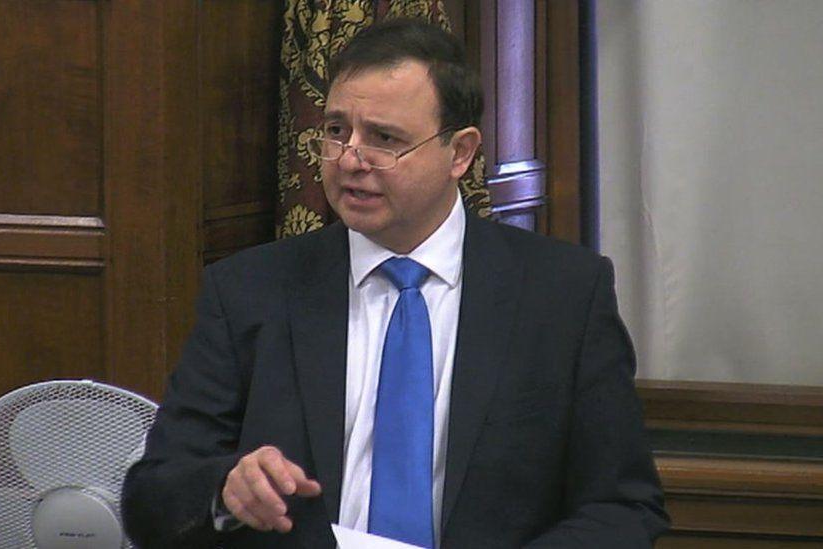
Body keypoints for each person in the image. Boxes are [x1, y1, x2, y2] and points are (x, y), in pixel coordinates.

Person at [121, 18, 669, 549]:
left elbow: (622, 509)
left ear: (460, 153)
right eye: (337, 131)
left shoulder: (563, 294)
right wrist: (224, 488)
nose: (350, 159)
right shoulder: (249, 290)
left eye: (384, 138)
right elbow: (151, 499)